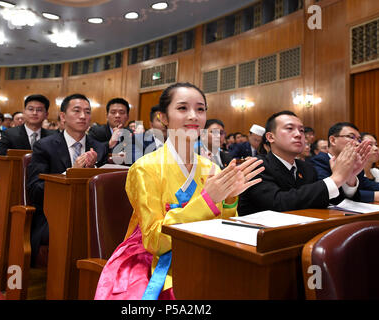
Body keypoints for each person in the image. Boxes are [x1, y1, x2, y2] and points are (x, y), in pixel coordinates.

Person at [94, 82, 264, 300]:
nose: (193, 116)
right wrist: (208, 201)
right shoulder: (145, 168)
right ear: (163, 117)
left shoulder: (211, 167)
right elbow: (155, 242)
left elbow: (222, 229)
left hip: (205, 252)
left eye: (200, 109)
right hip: (155, 260)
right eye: (183, 108)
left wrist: (230, 201)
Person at [27, 93, 107, 266]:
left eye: (87, 112)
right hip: (53, 215)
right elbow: (35, 190)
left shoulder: (99, 147)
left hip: (91, 212)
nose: (83, 116)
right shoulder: (45, 146)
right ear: (63, 116)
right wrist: (70, 174)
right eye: (77, 111)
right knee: (76, 229)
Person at [238, 111, 366, 215]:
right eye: (289, 129)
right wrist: (336, 178)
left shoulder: (307, 168)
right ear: (271, 137)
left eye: (302, 130)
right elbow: (279, 204)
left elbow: (330, 202)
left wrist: (349, 178)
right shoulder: (256, 166)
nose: (298, 135)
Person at [309, 122, 379, 203]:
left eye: (359, 139)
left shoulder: (353, 163)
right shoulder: (318, 162)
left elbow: (368, 185)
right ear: (333, 140)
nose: (357, 143)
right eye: (351, 137)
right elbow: (331, 196)